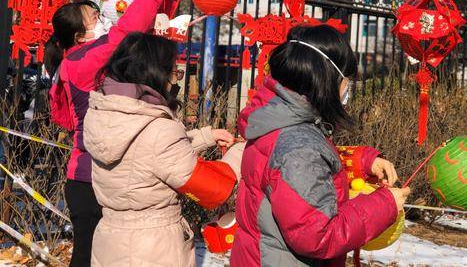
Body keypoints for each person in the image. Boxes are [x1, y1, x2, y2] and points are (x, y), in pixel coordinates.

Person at [231, 25, 411, 267]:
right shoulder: (299, 146)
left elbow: (301, 178)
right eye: (346, 80)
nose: (348, 88)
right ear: (326, 78)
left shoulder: (278, 120)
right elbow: (317, 235)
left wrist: (363, 161)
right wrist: (384, 204)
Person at [47, 0, 184, 267]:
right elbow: (125, 36)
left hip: (106, 177)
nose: (105, 18)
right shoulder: (79, 62)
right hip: (88, 179)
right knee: (87, 258)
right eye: (96, 16)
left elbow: (140, 44)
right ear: (79, 36)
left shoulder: (89, 56)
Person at [83, 32, 244, 267]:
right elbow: (214, 187)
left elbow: (144, 153)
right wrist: (242, 151)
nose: (174, 80)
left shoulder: (105, 114)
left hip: (110, 238)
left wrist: (205, 136)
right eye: (173, 72)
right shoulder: (159, 130)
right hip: (152, 248)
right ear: (155, 73)